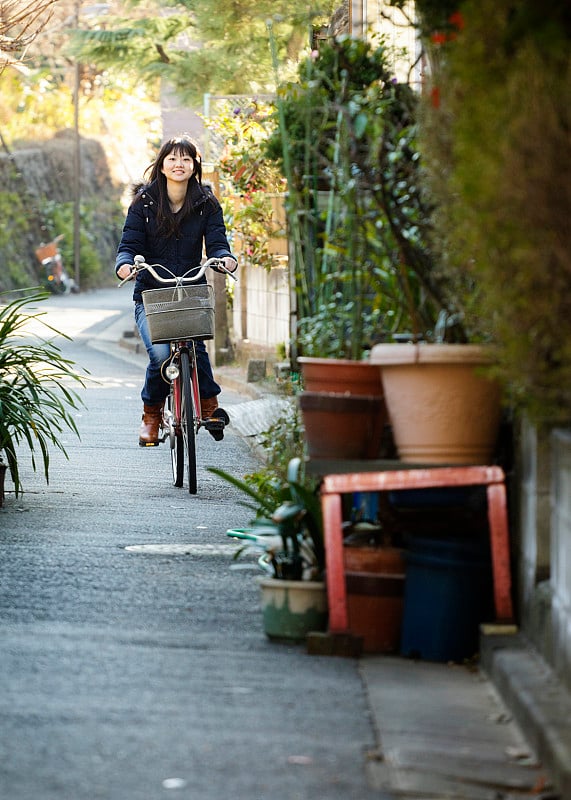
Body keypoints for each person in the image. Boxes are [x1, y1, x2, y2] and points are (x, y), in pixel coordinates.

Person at [115, 135, 238, 447]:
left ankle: (209, 406)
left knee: (195, 346)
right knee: (160, 355)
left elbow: (217, 239)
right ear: (162, 165)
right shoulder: (143, 204)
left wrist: (225, 258)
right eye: (172, 158)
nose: (179, 164)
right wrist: (126, 265)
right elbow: (129, 245)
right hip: (151, 294)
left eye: (186, 158)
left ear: (195, 165)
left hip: (191, 289)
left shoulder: (206, 203)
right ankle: (151, 414)